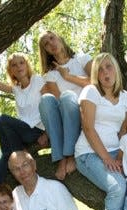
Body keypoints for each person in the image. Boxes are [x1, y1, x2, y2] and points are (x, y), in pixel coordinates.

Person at [75, 52, 127, 210]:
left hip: (116, 150)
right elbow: (88, 128)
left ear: (116, 70)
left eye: (109, 67)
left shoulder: (125, 96)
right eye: (100, 69)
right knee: (117, 188)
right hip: (89, 153)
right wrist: (107, 159)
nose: (105, 72)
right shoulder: (90, 92)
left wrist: (120, 155)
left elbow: (124, 129)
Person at [0, 53, 49, 210]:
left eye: (21, 63)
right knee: (5, 156)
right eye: (14, 65)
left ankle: (17, 155)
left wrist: (47, 133)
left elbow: (51, 105)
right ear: (11, 71)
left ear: (27, 64)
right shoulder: (16, 89)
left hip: (36, 130)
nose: (19, 67)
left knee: (1, 118)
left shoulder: (39, 81)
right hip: (22, 131)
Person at [38, 30, 92, 180]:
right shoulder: (50, 75)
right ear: (45, 51)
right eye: (46, 44)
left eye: (52, 38)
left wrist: (68, 76)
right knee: (46, 99)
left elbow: (96, 81)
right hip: (66, 116)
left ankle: (70, 154)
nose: (51, 44)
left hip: (86, 111)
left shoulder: (82, 58)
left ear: (59, 37)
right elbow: (56, 102)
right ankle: (62, 157)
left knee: (68, 96)